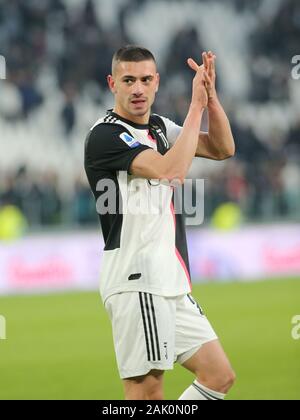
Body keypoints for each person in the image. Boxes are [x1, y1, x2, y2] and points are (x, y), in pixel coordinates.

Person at [84, 45, 236, 400]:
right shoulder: (105, 135)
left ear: (156, 82)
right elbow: (172, 171)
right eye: (128, 80)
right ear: (112, 84)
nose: (137, 88)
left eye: (145, 79)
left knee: (219, 375)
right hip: (138, 280)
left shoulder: (160, 127)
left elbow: (223, 148)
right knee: (147, 393)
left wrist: (210, 98)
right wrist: (195, 105)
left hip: (170, 280)